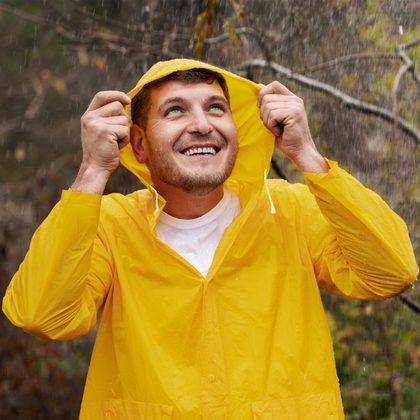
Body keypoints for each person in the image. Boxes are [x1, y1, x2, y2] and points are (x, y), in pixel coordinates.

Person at [2, 59, 418, 420]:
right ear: (140, 144)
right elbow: (43, 315)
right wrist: (93, 170)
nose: (201, 125)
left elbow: (392, 272)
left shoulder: (292, 211)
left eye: (216, 108)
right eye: (175, 111)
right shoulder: (110, 226)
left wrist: (307, 155)